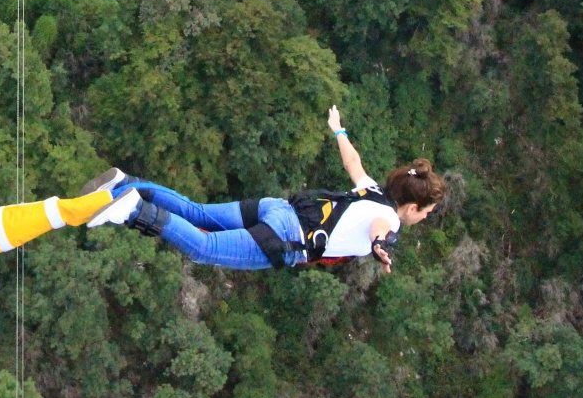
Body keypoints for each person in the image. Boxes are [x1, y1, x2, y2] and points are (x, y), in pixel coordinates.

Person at [83, 105, 446, 272]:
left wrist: (339, 130)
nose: (424, 218)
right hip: (287, 238)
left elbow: (354, 163)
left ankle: (127, 185)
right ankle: (131, 209)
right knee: (203, 247)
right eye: (426, 213)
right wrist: (381, 247)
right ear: (412, 207)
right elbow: (379, 231)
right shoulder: (390, 220)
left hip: (279, 209)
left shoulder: (372, 191)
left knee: (198, 213)